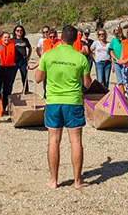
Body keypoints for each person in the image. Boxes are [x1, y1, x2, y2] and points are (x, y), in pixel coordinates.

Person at [34, 24, 91, 189]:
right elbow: (87, 83)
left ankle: (54, 180)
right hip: (73, 101)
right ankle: (77, 181)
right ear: (75, 40)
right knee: (76, 141)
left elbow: (38, 78)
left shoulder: (48, 55)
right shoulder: (80, 58)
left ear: (60, 38)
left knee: (53, 140)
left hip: (53, 101)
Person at [0, 31, 17, 114]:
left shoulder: (12, 45)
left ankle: (5, 106)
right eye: (5, 37)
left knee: (7, 88)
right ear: (1, 38)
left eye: (8, 37)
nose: (7, 39)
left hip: (10, 68)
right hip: (0, 68)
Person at [12, 25, 32, 93]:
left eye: (21, 30)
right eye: (18, 30)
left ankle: (26, 91)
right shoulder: (12, 40)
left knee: (24, 77)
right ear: (15, 32)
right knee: (12, 78)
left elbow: (30, 48)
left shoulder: (25, 40)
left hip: (23, 61)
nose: (19, 32)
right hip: (14, 61)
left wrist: (28, 56)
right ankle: (9, 92)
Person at [108, 27, 125, 92]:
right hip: (116, 62)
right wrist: (115, 60)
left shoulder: (125, 40)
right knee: (119, 81)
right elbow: (111, 52)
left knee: (125, 80)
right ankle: (122, 96)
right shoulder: (113, 40)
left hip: (124, 62)